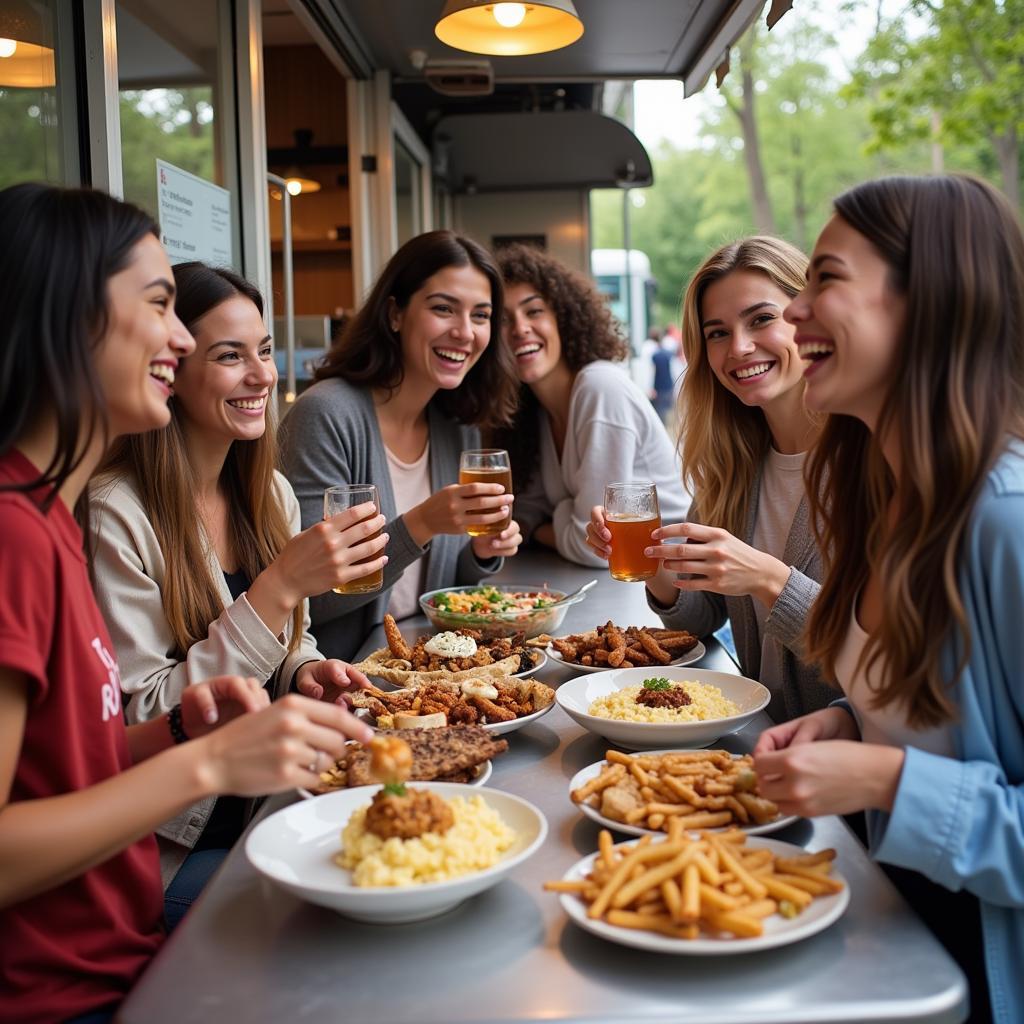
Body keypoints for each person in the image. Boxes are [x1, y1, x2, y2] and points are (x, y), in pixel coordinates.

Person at [0, 184, 371, 1024]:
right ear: (68, 313)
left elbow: (77, 757)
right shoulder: (29, 531)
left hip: (116, 942)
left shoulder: (47, 518)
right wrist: (205, 762)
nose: (178, 338)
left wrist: (185, 723)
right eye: (162, 305)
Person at [753, 174, 1024, 1023]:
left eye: (824, 280)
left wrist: (884, 777)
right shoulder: (882, 493)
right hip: (894, 933)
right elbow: (934, 710)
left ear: (930, 303)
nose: (793, 316)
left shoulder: (1005, 523)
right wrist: (851, 720)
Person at [89, 262, 384, 906]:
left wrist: (306, 672)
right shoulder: (115, 510)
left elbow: (283, 648)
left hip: (274, 805)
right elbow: (146, 717)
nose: (261, 375)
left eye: (266, 351)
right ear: (172, 369)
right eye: (230, 356)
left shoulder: (269, 492)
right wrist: (278, 588)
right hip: (175, 848)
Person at [586, 237, 835, 721]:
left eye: (761, 319)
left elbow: (888, 663)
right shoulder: (732, 465)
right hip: (754, 737)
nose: (739, 348)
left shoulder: (874, 465)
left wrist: (771, 581)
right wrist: (649, 560)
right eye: (717, 333)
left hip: (845, 768)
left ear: (810, 317)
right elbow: (702, 618)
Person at [280, 230, 522, 662]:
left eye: (481, 315)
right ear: (395, 313)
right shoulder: (325, 415)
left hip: (426, 667)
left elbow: (438, 581)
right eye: (443, 308)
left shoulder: (455, 424)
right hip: (342, 676)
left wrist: (480, 555)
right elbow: (307, 597)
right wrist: (419, 525)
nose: (464, 332)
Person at [491, 244, 689, 568]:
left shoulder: (599, 388)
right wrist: (551, 518)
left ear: (563, 317)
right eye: (502, 319)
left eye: (534, 311)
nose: (519, 328)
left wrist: (546, 525)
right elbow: (528, 506)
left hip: (672, 588)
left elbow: (597, 549)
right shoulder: (534, 410)